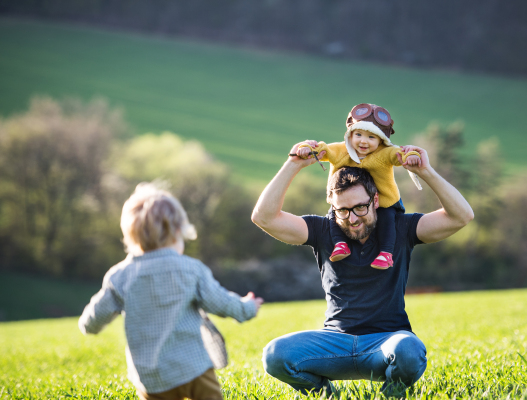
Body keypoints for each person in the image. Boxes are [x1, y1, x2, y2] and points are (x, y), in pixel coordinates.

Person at [251, 141, 474, 396]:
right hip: (336, 343)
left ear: (376, 199)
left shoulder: (400, 227)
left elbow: (461, 216)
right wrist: (294, 164)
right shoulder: (323, 230)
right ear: (332, 205)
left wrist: (425, 171)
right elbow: (264, 218)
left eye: (360, 207)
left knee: (409, 350)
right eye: (342, 210)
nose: (352, 218)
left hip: (386, 343)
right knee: (275, 355)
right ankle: (325, 395)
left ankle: (389, 395)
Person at [79, 183, 263, 400]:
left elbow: (92, 320)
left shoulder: (119, 276)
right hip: (194, 368)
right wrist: (248, 307)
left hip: (151, 377)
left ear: (130, 235)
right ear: (178, 231)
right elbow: (221, 302)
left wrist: (88, 324)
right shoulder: (191, 269)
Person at [295, 103, 422, 269]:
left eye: (371, 137)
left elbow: (399, 154)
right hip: (344, 200)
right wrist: (306, 148)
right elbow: (323, 149)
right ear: (350, 135)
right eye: (359, 134)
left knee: (387, 219)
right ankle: (340, 244)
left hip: (384, 200)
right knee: (334, 216)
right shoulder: (341, 150)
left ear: (381, 141)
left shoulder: (383, 153)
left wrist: (411, 156)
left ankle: (386, 253)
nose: (364, 141)